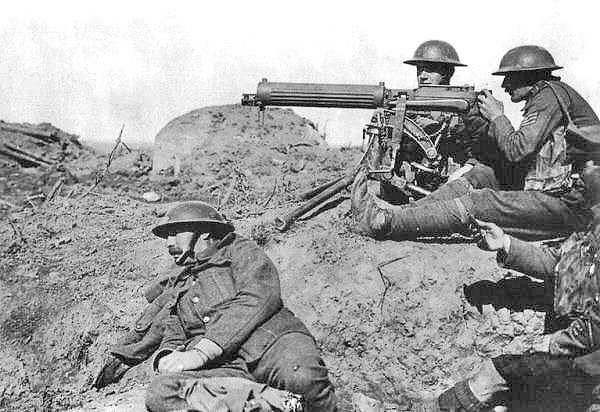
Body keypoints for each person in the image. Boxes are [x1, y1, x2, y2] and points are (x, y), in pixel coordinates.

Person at [93, 201, 336, 411]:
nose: (168, 241)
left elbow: (258, 295)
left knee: (302, 378)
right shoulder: (182, 281)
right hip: (230, 369)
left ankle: (265, 401)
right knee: (162, 392)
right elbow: (175, 331)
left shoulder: (239, 251)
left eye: (175, 231)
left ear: (204, 232)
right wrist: (168, 357)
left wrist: (202, 352)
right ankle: (275, 403)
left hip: (274, 345)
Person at [352, 45, 600, 240]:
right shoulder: (551, 95)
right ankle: (399, 215)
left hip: (574, 205)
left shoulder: (548, 96)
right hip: (560, 194)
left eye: (510, 78)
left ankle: (385, 223)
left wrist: (498, 116)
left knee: (480, 202)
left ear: (528, 76)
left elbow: (518, 150)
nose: (504, 85)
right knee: (482, 174)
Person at [412, 162, 600, 412]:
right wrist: (505, 243)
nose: (578, 172)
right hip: (579, 349)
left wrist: (557, 342)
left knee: (495, 374)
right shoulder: (594, 221)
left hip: (589, 362)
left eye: (588, 163)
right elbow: (561, 263)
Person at [381, 40, 493, 203]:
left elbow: (485, 152)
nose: (423, 75)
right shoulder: (410, 105)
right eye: (420, 69)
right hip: (414, 187)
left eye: (431, 69)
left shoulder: (467, 106)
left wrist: (465, 170)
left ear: (448, 72)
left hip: (455, 185)